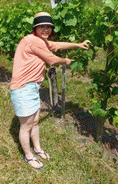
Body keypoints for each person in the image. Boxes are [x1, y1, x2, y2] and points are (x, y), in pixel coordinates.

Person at [10, 12, 91, 169]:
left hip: (32, 87)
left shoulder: (41, 41)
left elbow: (58, 45)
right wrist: (68, 61)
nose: (46, 29)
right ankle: (28, 156)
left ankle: (38, 149)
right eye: (42, 26)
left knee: (34, 122)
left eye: (48, 26)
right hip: (23, 88)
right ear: (35, 28)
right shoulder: (33, 40)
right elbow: (52, 59)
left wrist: (78, 44)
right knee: (26, 126)